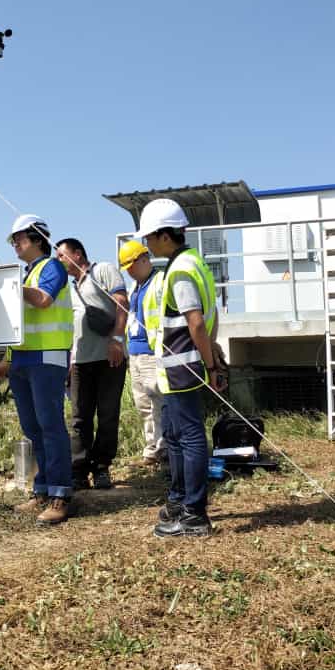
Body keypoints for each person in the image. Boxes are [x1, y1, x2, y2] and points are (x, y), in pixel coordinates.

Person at [134, 198, 221, 537]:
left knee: (190, 436)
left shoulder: (181, 270)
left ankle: (194, 514)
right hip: (176, 368)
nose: (147, 244)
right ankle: (181, 500)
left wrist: (211, 365)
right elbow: (211, 316)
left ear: (165, 236)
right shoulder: (190, 262)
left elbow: (196, 322)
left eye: (149, 237)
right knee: (174, 434)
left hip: (183, 367)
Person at [0, 214, 74, 525]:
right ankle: (42, 489)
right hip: (23, 360)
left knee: (51, 426)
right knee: (32, 428)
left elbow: (43, 300)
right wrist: (7, 360)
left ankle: (60, 494)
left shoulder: (52, 267)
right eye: (13, 240)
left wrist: (13, 285)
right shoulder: (26, 275)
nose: (15, 244)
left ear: (38, 239)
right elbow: (17, 326)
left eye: (19, 238)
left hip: (48, 357)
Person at [55, 238, 128, 489]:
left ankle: (101, 467)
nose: (59, 261)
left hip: (109, 358)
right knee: (79, 418)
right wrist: (68, 361)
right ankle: (78, 471)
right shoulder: (69, 288)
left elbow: (122, 303)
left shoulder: (103, 270)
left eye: (62, 255)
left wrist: (117, 340)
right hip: (79, 362)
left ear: (77, 254)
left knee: (108, 415)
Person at [118, 239, 166, 464]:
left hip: (152, 351)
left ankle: (163, 449)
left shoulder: (159, 281)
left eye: (131, 265)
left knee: (158, 402)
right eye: (126, 267)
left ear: (144, 259)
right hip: (135, 353)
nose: (129, 271)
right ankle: (152, 449)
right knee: (143, 404)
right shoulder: (135, 288)